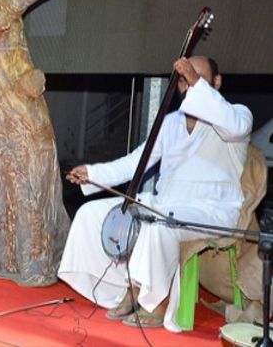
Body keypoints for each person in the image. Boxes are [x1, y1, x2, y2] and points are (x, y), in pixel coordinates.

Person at [58, 56, 253, 332]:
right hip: (166, 204)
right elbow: (137, 162)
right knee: (95, 213)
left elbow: (235, 126)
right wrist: (93, 174)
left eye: (198, 76)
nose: (189, 82)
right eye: (185, 78)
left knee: (155, 222)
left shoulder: (237, 114)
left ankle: (154, 298)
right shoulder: (170, 122)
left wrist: (196, 82)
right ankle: (122, 286)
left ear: (217, 82)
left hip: (213, 211)